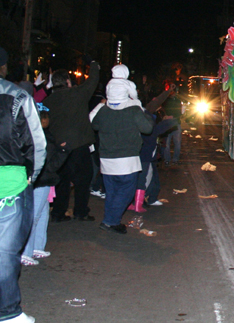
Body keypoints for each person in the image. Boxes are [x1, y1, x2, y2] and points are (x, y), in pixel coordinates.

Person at [0, 46, 46, 323]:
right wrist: (31, 177)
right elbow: (36, 144)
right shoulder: (16, 96)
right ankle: (7, 313)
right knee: (5, 252)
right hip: (10, 184)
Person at [90, 88, 155, 234]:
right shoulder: (133, 110)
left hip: (107, 159)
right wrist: (146, 113)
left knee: (112, 193)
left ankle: (111, 220)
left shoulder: (104, 110)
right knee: (126, 192)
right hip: (126, 160)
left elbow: (94, 124)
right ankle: (110, 221)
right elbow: (147, 128)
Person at [43, 60, 100, 222]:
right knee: (84, 179)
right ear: (68, 81)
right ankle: (80, 211)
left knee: (62, 180)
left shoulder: (48, 101)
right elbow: (92, 81)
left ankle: (58, 212)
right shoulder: (77, 94)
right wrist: (94, 65)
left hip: (58, 148)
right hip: (79, 145)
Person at [21, 105, 68, 266]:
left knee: (42, 213)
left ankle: (37, 246)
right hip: (42, 179)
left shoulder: (36, 135)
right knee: (34, 215)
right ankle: (26, 251)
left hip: (42, 180)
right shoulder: (43, 138)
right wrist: (63, 152)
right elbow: (50, 164)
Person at [161, 83, 184, 165]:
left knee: (177, 142)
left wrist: (172, 116)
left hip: (175, 123)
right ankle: (168, 159)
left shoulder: (178, 101)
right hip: (168, 124)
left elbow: (179, 112)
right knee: (167, 143)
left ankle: (175, 159)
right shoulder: (165, 100)